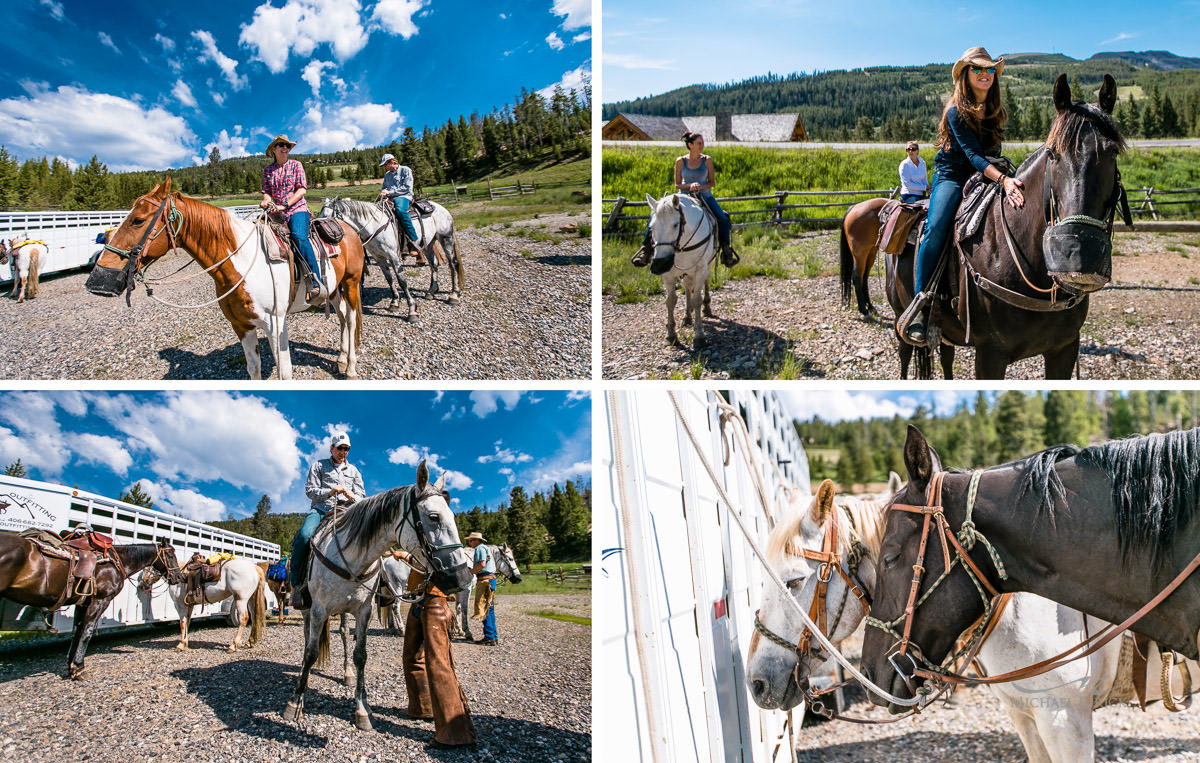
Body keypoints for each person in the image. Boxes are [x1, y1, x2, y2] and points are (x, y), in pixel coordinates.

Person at [904, 47, 1026, 345]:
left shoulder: (995, 108)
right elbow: (971, 155)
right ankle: (920, 304)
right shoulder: (956, 110)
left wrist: (1004, 174)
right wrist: (1003, 179)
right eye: (977, 69)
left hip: (985, 171)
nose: (985, 74)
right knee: (936, 227)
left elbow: (990, 153)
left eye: (989, 70)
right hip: (954, 175)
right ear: (965, 75)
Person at [402, 552, 478, 748]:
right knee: (412, 657)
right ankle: (423, 707)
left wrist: (407, 557)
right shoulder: (421, 542)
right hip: (419, 601)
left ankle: (456, 733)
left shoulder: (441, 546)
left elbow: (433, 564)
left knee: (439, 664)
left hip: (435, 603)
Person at [631, 131, 738, 269]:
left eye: (703, 143)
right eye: (699, 143)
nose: (702, 146)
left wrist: (700, 187)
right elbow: (677, 184)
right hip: (684, 196)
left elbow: (711, 182)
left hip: (705, 195)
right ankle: (646, 250)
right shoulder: (680, 161)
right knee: (655, 216)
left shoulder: (707, 160)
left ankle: (726, 250)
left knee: (723, 218)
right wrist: (689, 186)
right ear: (690, 145)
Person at [289, 431, 366, 609]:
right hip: (321, 510)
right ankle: (296, 586)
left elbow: (362, 496)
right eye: (340, 448)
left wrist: (351, 495)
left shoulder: (354, 471)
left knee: (368, 534)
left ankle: (371, 585)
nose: (343, 452)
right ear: (331, 448)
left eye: (346, 449)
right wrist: (329, 492)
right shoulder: (318, 466)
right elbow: (310, 490)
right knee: (304, 535)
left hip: (346, 511)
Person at [261, 134, 321, 302]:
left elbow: (302, 190)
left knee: (298, 236)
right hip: (276, 212)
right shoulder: (268, 170)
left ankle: (316, 282)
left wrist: (285, 204)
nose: (285, 148)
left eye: (287, 145)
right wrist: (266, 201)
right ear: (274, 149)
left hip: (296, 208)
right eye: (281, 145)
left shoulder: (296, 165)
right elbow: (267, 192)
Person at [378, 153, 422, 257]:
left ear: (392, 162)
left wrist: (389, 192)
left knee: (400, 211)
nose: (384, 167)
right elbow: (384, 187)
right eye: (384, 165)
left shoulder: (406, 170)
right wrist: (383, 192)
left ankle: (414, 241)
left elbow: (407, 188)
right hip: (391, 197)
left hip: (404, 196)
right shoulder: (387, 175)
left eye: (385, 165)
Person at [465, 532, 498, 645]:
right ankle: (493, 636)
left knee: (483, 608)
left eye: (470, 540)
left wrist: (470, 572)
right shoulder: (485, 548)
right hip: (490, 579)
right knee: (489, 608)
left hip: (484, 580)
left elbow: (482, 564)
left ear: (476, 540)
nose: (469, 543)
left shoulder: (479, 548)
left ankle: (489, 637)